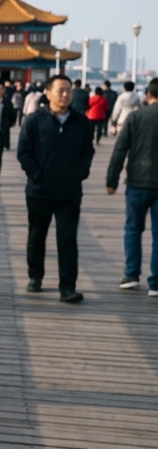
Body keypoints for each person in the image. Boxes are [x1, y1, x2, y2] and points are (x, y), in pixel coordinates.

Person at [17, 74, 95, 303]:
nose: (65, 94)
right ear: (48, 93)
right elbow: (24, 152)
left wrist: (80, 173)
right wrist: (37, 174)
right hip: (39, 190)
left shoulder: (81, 122)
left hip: (69, 191)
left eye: (69, 90)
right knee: (36, 236)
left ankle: (68, 287)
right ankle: (35, 276)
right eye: (60, 90)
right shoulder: (33, 120)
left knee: (67, 239)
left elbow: (87, 152)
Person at [106, 78, 158, 296]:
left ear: (148, 94)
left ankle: (131, 274)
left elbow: (120, 150)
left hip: (137, 182)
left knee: (133, 229)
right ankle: (155, 283)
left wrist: (112, 180)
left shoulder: (136, 117)